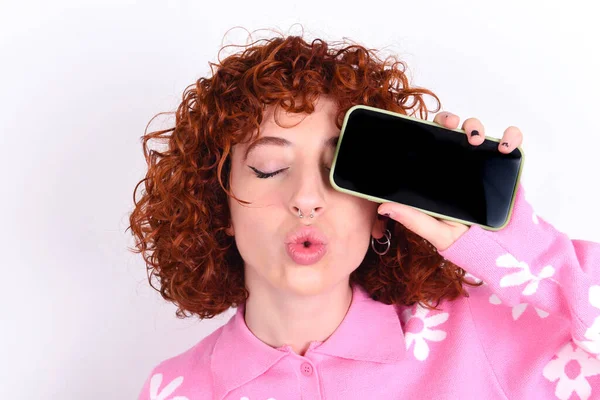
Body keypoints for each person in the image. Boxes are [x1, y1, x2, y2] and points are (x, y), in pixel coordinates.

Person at [128, 32, 600, 400]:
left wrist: (520, 247)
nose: (307, 198)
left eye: (338, 171)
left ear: (380, 212)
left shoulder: (484, 332)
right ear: (221, 203)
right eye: (269, 168)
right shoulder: (176, 387)